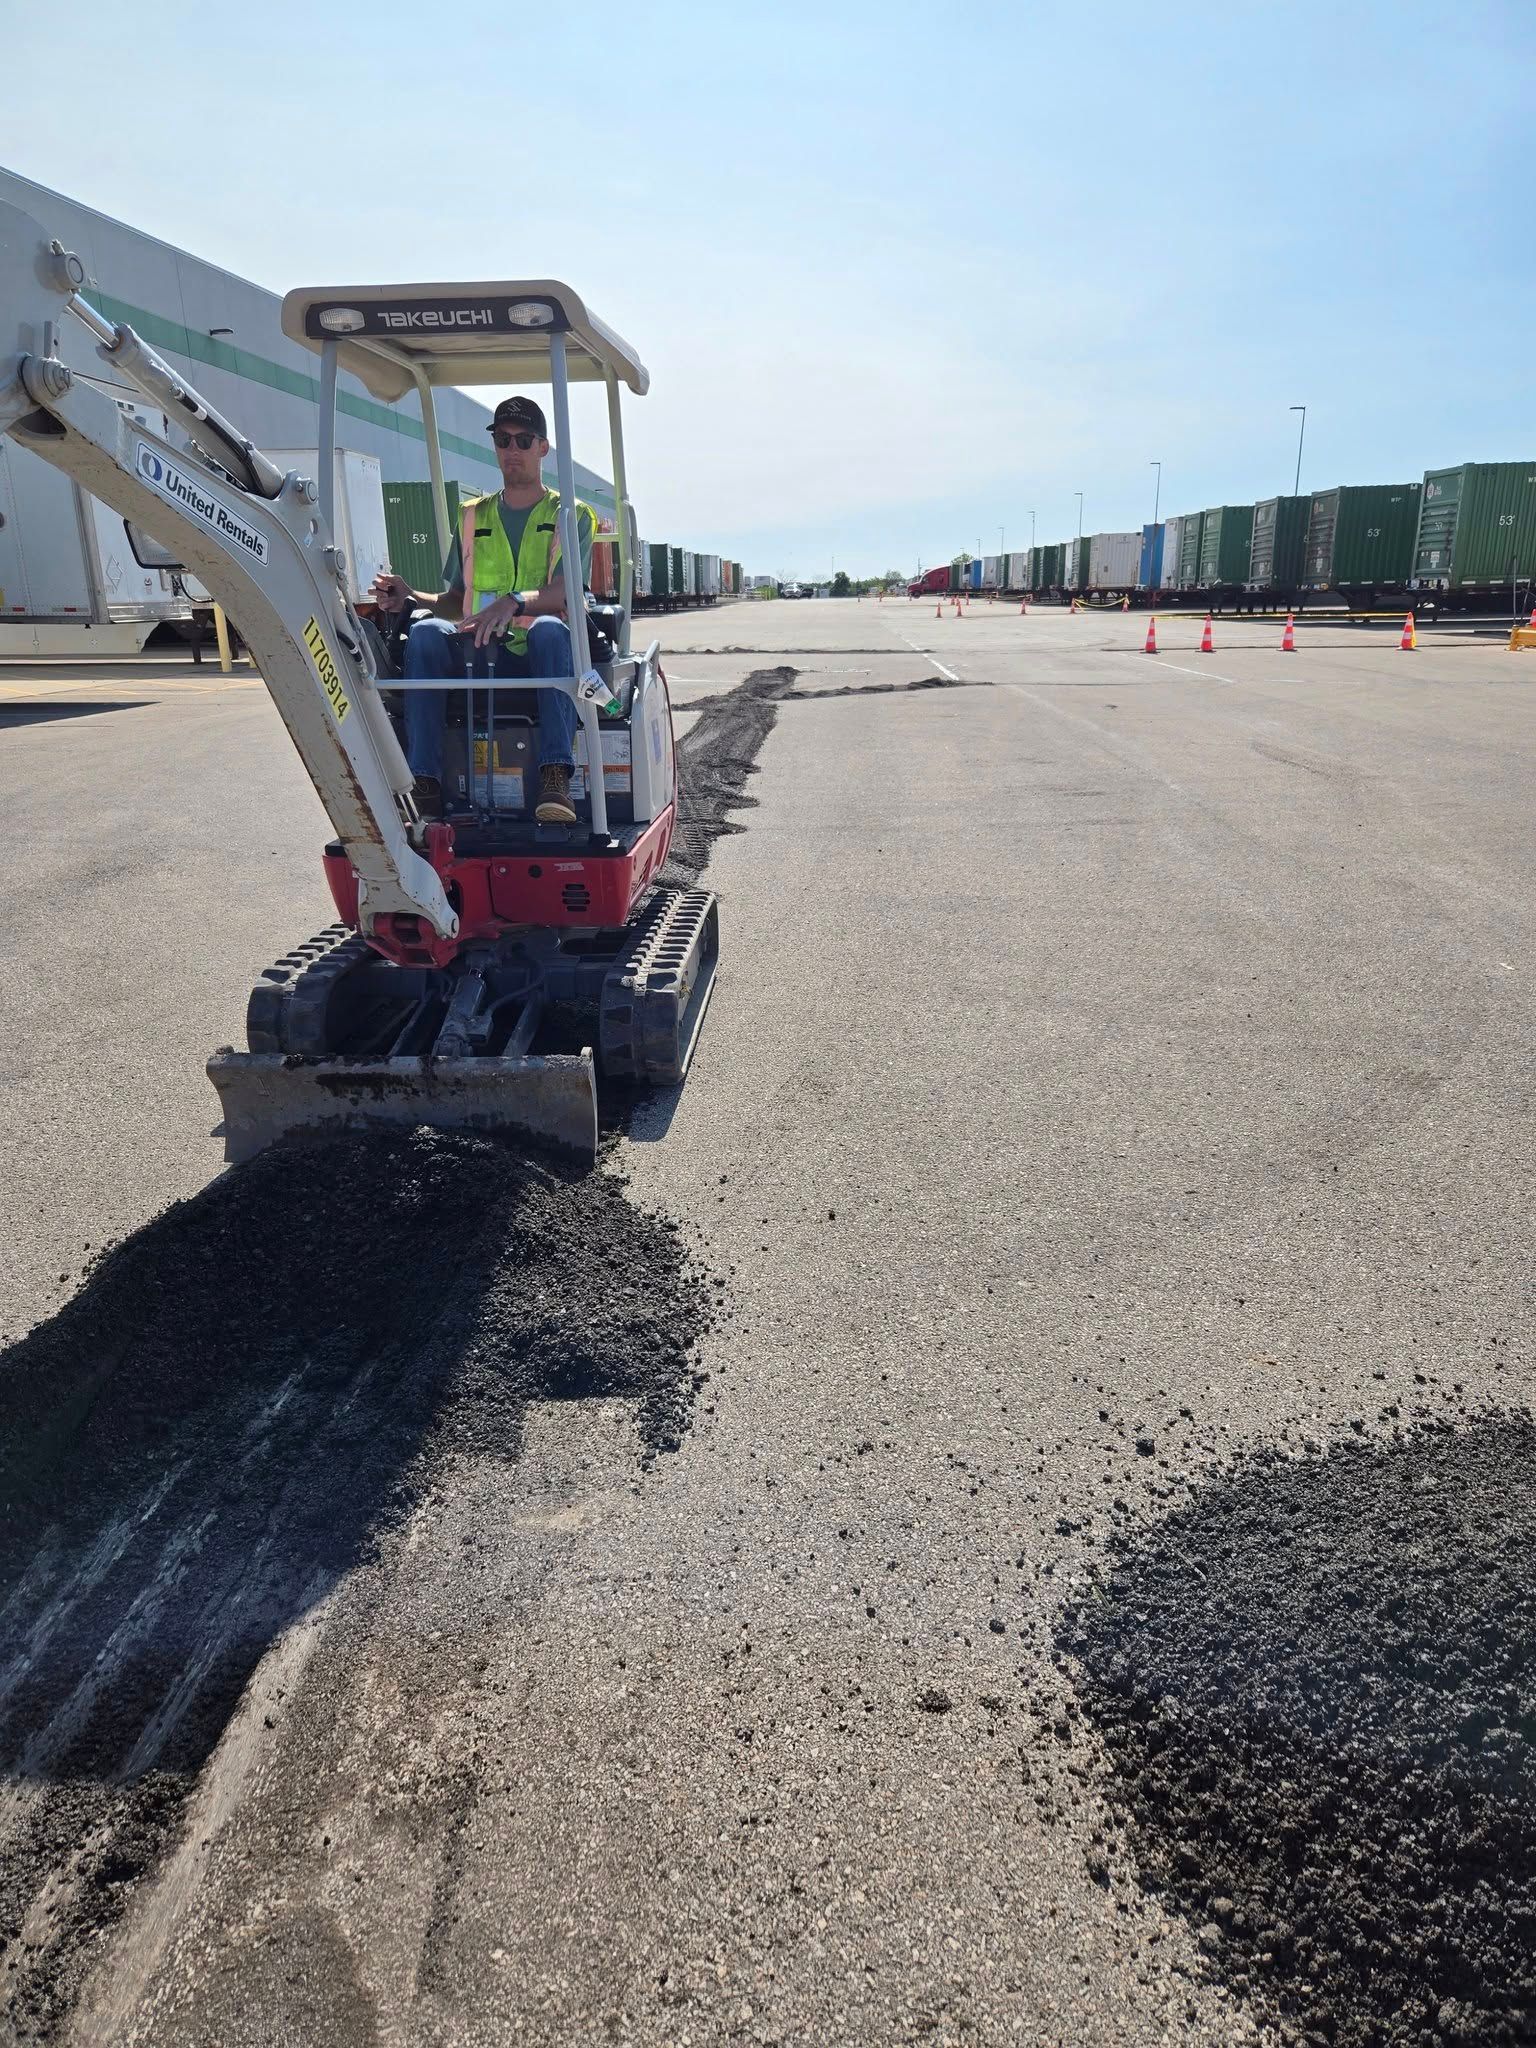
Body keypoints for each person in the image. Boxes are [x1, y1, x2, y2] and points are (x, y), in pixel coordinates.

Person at [371, 396, 597, 825]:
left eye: (523, 440)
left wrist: (514, 602)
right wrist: (411, 596)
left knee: (550, 628)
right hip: (476, 653)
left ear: (543, 447)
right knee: (424, 634)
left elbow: (566, 592)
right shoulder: (473, 515)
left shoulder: (569, 516)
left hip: (536, 654)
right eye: (503, 439)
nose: (512, 449)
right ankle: (425, 783)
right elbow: (457, 599)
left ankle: (554, 777)